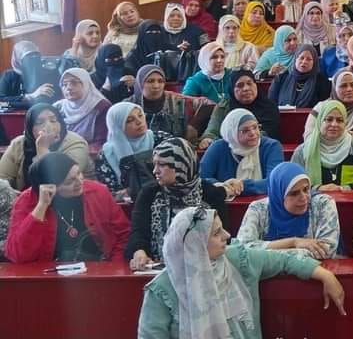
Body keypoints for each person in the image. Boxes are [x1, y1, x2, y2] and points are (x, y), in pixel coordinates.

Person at [137, 206, 347, 338]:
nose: (227, 235)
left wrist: (325, 275)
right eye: (216, 233)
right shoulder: (162, 290)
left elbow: (284, 260)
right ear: (195, 244)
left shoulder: (237, 259)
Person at [5, 153, 130, 263]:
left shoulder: (98, 191)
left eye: (79, 173)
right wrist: (41, 206)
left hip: (98, 268)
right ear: (51, 186)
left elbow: (124, 234)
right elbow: (17, 255)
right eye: (70, 181)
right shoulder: (27, 201)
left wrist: (113, 266)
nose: (79, 182)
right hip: (47, 273)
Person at [127, 139, 228, 269]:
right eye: (154, 164)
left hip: (205, 266)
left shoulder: (211, 194)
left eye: (162, 165)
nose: (155, 171)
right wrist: (139, 251)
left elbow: (222, 235)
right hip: (159, 267)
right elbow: (138, 231)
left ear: (181, 164)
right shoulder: (149, 193)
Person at [237, 162, 340, 259]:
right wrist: (294, 242)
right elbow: (242, 250)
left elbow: (326, 251)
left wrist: (265, 254)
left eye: (306, 189)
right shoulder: (258, 209)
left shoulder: (323, 204)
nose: (304, 197)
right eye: (294, 193)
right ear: (279, 195)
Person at [0, 103, 94, 190]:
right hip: (25, 197)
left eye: (53, 120)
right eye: (39, 122)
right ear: (29, 128)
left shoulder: (76, 143)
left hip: (71, 196)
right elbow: (2, 177)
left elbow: (60, 180)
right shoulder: (19, 143)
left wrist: (43, 149)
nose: (48, 126)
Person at [291, 100, 353, 191]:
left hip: (351, 198)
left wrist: (344, 189)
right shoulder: (303, 151)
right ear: (320, 121)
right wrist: (318, 188)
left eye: (340, 120)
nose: (334, 124)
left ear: (345, 124)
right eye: (329, 119)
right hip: (314, 199)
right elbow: (293, 185)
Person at [201, 109, 284, 197]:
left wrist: (242, 185)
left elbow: (274, 182)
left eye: (255, 127)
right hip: (223, 202)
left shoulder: (271, 146)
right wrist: (222, 186)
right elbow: (201, 179)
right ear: (232, 132)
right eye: (245, 130)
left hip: (262, 202)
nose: (253, 133)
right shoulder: (218, 147)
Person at [95, 102, 162, 197]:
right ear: (117, 126)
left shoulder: (160, 139)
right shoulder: (107, 154)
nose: (139, 122)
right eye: (130, 120)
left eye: (140, 116)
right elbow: (111, 193)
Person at [203, 69, 282, 146]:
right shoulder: (224, 106)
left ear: (256, 85)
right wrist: (208, 139)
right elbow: (212, 130)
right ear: (232, 90)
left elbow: (267, 133)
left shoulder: (268, 106)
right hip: (228, 149)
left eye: (249, 83)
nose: (246, 88)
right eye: (240, 85)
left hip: (261, 148)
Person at [302, 70, 353, 145]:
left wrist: (334, 138)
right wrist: (347, 137)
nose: (349, 89)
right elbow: (309, 136)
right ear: (334, 89)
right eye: (343, 86)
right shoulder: (320, 108)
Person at [130, 65, 201, 145]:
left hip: (174, 149)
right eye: (150, 81)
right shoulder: (128, 106)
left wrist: (193, 126)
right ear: (140, 83)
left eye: (160, 81)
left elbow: (207, 103)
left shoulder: (176, 100)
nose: (156, 86)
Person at [55, 67, 111, 147]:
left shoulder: (101, 107)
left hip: (88, 151)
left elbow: (101, 141)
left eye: (74, 83)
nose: (68, 88)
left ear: (86, 84)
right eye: (64, 84)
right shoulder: (58, 107)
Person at [268, 44, 330, 109]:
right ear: (295, 59)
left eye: (309, 59)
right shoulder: (281, 78)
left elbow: (323, 108)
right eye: (301, 58)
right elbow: (271, 104)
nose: (304, 62)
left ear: (314, 62)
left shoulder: (322, 82)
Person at [0, 41, 56, 109]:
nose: (34, 58)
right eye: (29, 55)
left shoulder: (47, 74)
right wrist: (31, 96)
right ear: (18, 58)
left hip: (39, 114)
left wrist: (14, 103)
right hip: (12, 115)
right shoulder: (9, 75)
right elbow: (1, 102)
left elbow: (47, 101)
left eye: (36, 54)